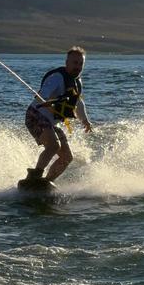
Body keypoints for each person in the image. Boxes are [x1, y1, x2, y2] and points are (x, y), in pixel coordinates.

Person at [23, 46, 93, 185]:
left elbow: (78, 103)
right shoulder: (57, 77)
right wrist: (45, 100)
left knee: (67, 157)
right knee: (53, 146)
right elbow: (44, 93)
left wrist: (85, 120)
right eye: (75, 63)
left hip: (51, 122)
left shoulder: (77, 82)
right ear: (67, 62)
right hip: (35, 115)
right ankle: (34, 176)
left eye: (80, 64)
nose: (77, 67)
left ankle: (46, 182)